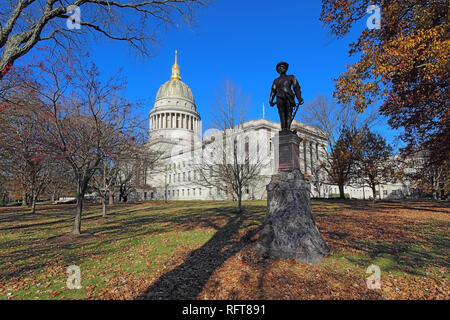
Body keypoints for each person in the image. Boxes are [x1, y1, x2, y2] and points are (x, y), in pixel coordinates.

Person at [269, 62, 304, 131]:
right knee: (281, 113)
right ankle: (283, 129)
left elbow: (296, 88)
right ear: (278, 70)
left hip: (289, 97)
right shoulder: (276, 80)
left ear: (286, 68)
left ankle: (287, 128)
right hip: (279, 97)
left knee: (289, 113)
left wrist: (299, 98)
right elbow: (273, 91)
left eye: (283, 67)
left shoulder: (291, 77)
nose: (282, 68)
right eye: (280, 67)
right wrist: (270, 100)